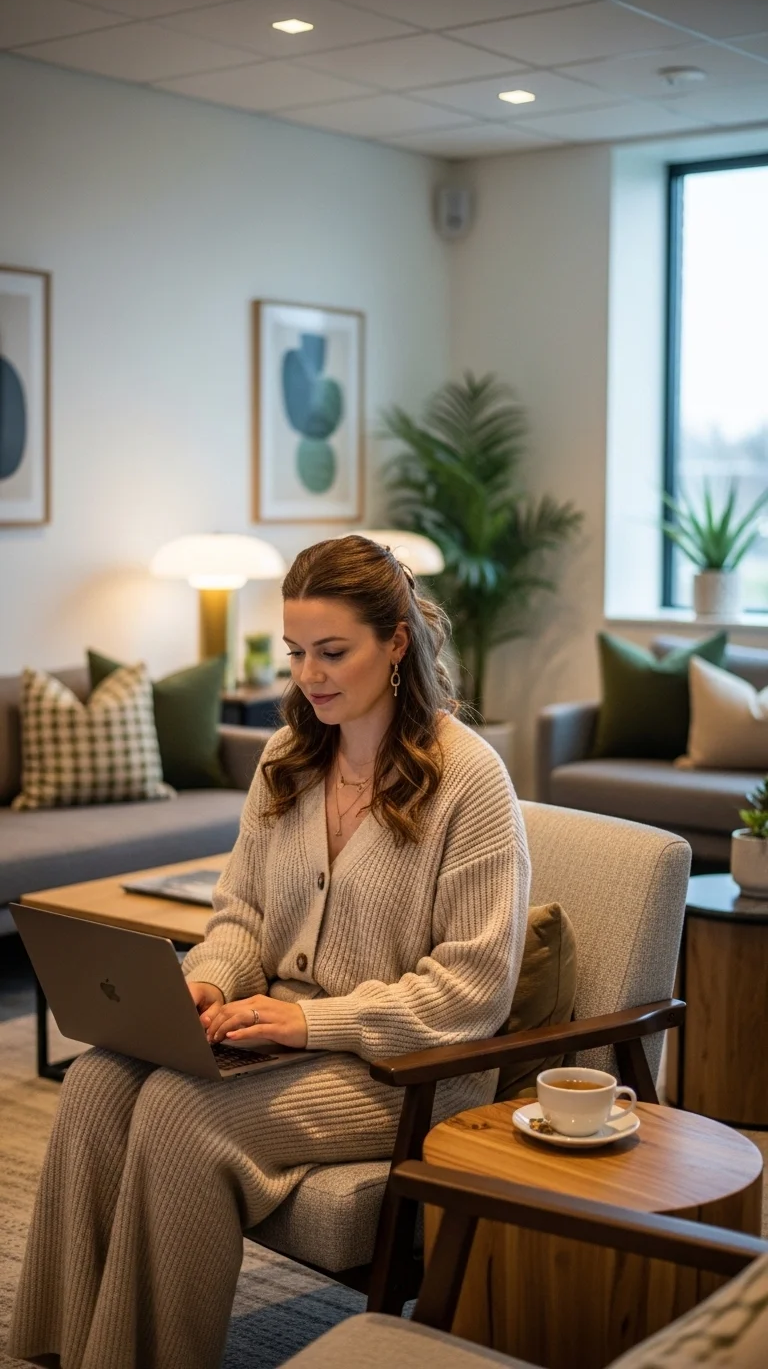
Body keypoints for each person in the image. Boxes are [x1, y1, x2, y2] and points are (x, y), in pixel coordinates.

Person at [9, 534, 531, 1369]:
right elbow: (241, 915)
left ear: (396, 642)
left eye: (333, 652)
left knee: (181, 1117)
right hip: (279, 1033)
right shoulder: (287, 758)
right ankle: (67, 1350)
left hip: (409, 1070)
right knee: (100, 1081)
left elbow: (473, 991)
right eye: (296, 653)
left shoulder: (470, 781)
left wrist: (307, 1023)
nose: (310, 675)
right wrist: (209, 984)